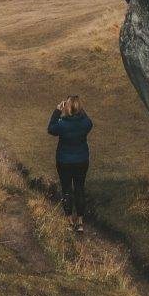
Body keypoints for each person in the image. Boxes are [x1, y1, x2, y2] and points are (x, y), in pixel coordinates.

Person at [47, 95, 92, 232]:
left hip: (64, 161)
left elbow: (50, 129)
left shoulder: (62, 124)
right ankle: (80, 222)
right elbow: (89, 123)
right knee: (79, 189)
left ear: (66, 107)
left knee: (67, 189)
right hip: (81, 160)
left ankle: (69, 221)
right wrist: (80, 111)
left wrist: (57, 111)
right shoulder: (84, 123)